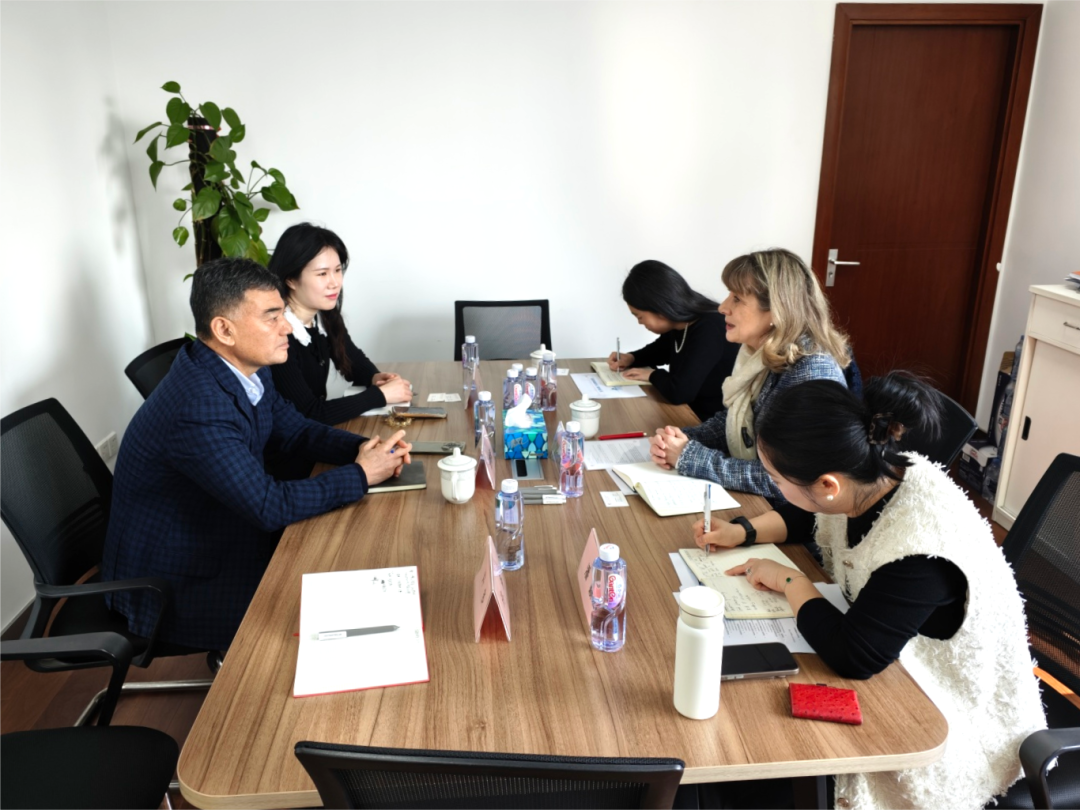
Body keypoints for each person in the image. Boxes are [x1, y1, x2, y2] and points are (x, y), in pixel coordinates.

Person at [693, 373, 1045, 810]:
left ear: (827, 485)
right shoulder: (868, 473)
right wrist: (742, 530)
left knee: (755, 756)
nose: (775, 488)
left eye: (776, 479)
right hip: (894, 661)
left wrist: (790, 582)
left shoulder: (921, 546)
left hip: (956, 720)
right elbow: (808, 514)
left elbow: (853, 656)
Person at [102, 257, 412, 652]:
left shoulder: (248, 366)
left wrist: (364, 450)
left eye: (282, 313)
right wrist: (362, 474)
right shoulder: (197, 407)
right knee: (335, 613)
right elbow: (268, 505)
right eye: (271, 317)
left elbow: (295, 430)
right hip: (176, 585)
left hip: (220, 532)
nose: (287, 328)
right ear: (224, 330)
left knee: (351, 560)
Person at [650, 248, 850, 499]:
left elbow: (791, 481)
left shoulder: (811, 373)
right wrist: (683, 439)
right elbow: (739, 420)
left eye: (737, 298)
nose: (722, 307)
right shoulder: (761, 353)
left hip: (789, 513)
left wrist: (689, 456)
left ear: (777, 309)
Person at [267, 223, 412, 478]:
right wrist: (379, 395)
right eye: (322, 274)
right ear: (290, 279)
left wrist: (374, 377)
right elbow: (309, 413)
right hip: (288, 464)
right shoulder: (279, 334)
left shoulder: (322, 316)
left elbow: (353, 360)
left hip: (313, 444)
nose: (334, 283)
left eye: (337, 270)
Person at [606, 260, 740, 420]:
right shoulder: (682, 323)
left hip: (707, 421)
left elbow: (680, 392)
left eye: (639, 316)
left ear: (659, 308)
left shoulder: (710, 328)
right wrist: (632, 357)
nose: (640, 323)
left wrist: (652, 375)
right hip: (686, 412)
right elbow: (661, 350)